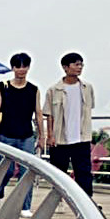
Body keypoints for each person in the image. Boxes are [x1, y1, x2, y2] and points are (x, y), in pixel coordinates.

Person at [0, 53, 47, 218]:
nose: (21, 70)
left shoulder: (33, 89)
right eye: (18, 66)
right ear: (13, 68)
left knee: (26, 172)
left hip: (26, 136)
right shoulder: (4, 86)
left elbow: (38, 112)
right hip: (6, 134)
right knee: (3, 171)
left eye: (24, 66)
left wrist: (41, 136)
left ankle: (25, 206)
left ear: (29, 67)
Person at [44, 52, 96, 196]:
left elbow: (89, 108)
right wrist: (50, 136)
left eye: (81, 64)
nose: (80, 67)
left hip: (82, 137)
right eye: (76, 64)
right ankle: (57, 200)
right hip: (60, 138)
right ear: (66, 67)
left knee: (84, 172)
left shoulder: (87, 87)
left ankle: (88, 202)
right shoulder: (54, 90)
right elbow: (49, 115)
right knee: (59, 173)